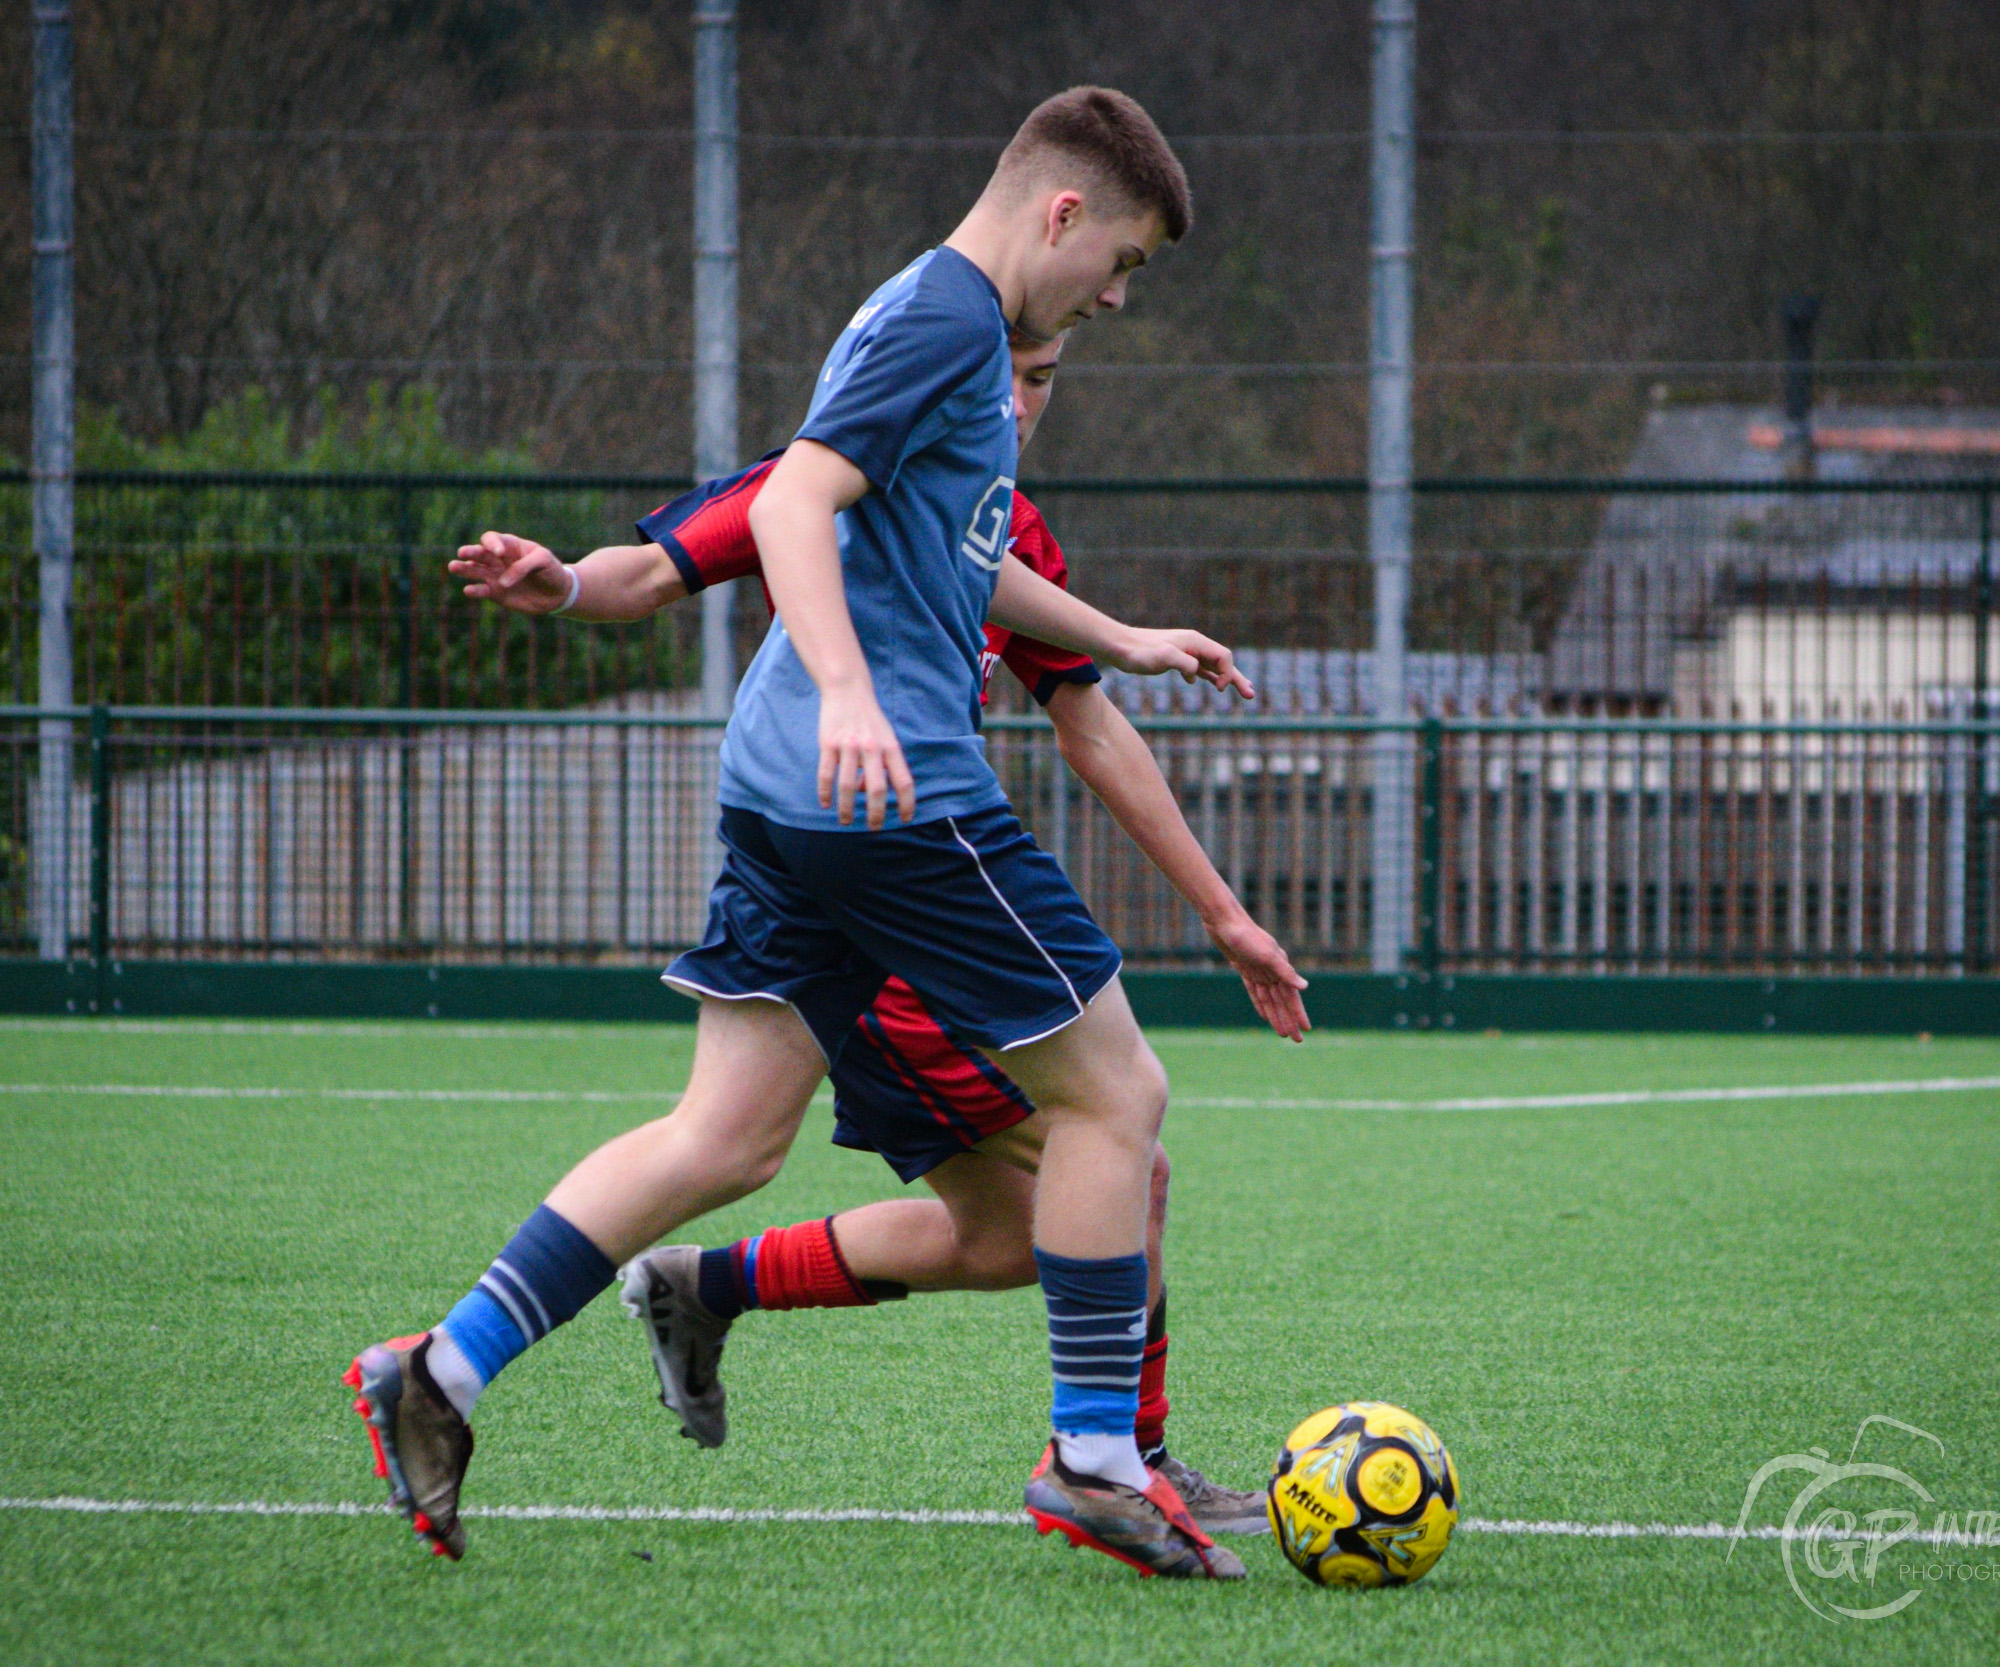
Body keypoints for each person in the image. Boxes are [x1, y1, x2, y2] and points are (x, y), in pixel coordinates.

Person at [349, 86, 1245, 1579]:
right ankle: (1097, 1454)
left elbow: (948, 550)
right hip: (883, 797)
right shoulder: (950, 319)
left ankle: (439, 1367)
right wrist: (847, 689)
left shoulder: (943, 324)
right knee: (1116, 1098)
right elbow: (793, 508)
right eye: (1126, 263)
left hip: (782, 803)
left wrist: (1119, 634)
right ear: (1065, 213)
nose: (1118, 297)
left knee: (727, 1134)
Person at [446, 326, 1310, 1537]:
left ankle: (680, 1293)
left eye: (1046, 378)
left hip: (899, 881)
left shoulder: (1006, 532)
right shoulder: (819, 472)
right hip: (882, 901)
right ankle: (1119, 1460)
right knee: (1112, 1141)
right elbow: (640, 575)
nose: (1016, 401)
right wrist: (569, 578)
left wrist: (1227, 913)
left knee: (1004, 1216)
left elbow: (1093, 723)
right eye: (1002, 371)